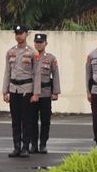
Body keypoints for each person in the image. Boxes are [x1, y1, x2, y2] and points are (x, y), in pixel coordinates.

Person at [3, 25, 39, 158]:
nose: (19, 36)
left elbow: (37, 74)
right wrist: (5, 90)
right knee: (15, 120)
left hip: (27, 89)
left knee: (26, 120)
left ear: (26, 34)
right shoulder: (10, 52)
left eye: (21, 33)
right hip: (14, 89)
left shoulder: (33, 52)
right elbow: (7, 72)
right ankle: (16, 147)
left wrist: (36, 93)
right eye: (17, 33)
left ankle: (25, 147)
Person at [32, 33, 60, 154]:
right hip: (32, 93)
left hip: (46, 93)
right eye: (37, 42)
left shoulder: (51, 58)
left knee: (45, 120)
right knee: (31, 120)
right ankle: (33, 144)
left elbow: (55, 75)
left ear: (45, 43)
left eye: (41, 42)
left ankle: (43, 144)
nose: (38, 44)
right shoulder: (30, 56)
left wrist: (55, 92)